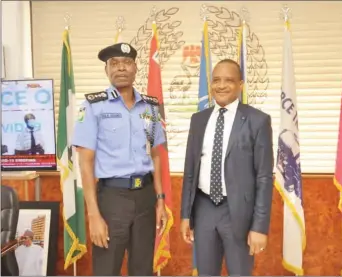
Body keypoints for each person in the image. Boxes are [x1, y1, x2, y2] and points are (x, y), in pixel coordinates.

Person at [72, 42, 168, 276]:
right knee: (107, 269)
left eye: (126, 63)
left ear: (135, 68)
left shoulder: (150, 107)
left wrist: (160, 200)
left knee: (142, 269)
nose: (121, 68)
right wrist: (94, 215)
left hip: (145, 197)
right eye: (114, 64)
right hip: (112, 199)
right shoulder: (94, 106)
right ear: (107, 70)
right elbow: (85, 162)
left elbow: (156, 154)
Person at [180, 59, 274, 275]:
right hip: (203, 209)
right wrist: (186, 214)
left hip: (239, 214)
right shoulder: (198, 120)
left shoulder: (257, 121)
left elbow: (264, 177)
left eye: (229, 80)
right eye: (216, 80)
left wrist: (259, 227)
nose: (221, 86)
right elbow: (190, 172)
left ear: (240, 84)